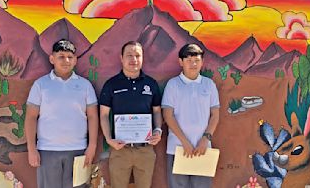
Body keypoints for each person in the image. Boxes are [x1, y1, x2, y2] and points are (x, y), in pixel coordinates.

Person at [25, 39, 98, 188]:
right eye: (61, 56)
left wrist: (92, 146)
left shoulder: (85, 85)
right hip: (47, 151)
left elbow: (92, 116)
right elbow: (31, 117)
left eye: (70, 57)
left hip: (78, 151)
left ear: (75, 60)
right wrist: (31, 149)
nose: (66, 60)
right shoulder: (41, 85)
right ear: (52, 59)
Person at [99, 41, 163, 188]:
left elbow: (157, 111)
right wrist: (109, 139)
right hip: (120, 149)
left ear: (142, 58)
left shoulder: (151, 84)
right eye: (129, 55)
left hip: (145, 149)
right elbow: (103, 115)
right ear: (121, 58)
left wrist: (158, 130)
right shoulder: (111, 84)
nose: (133, 59)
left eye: (137, 55)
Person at [162, 43, 220, 188]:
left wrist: (205, 140)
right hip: (178, 149)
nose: (193, 64)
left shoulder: (209, 85)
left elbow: (215, 115)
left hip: (203, 149)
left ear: (202, 62)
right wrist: (185, 142)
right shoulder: (173, 84)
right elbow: (168, 116)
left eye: (197, 60)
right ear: (180, 62)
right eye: (188, 60)